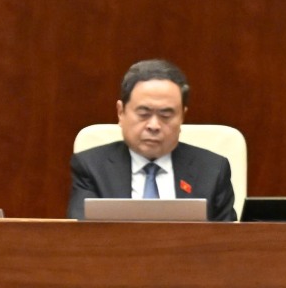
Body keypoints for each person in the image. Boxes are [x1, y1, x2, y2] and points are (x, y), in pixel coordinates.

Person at [68, 59, 237, 221]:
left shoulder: (212, 170)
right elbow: (81, 239)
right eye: (144, 114)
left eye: (166, 115)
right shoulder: (91, 167)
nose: (154, 125)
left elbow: (229, 243)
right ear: (121, 112)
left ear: (182, 116)